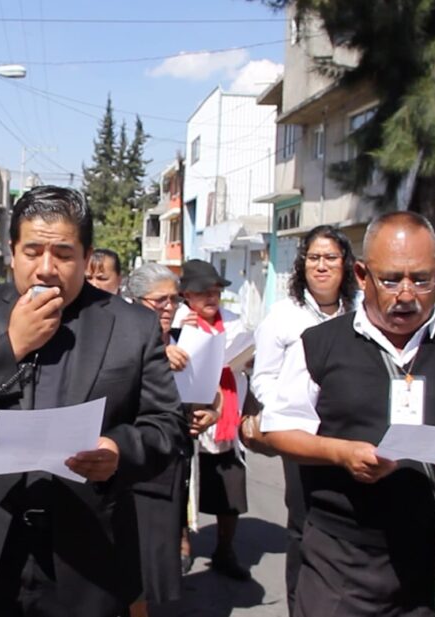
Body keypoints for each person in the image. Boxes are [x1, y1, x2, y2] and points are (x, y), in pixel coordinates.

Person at [0, 186, 187, 617]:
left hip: (90, 552)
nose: (46, 268)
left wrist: (119, 450)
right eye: (33, 250)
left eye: (63, 253)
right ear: (12, 251)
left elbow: (166, 424)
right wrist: (11, 346)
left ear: (87, 256)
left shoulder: (133, 326)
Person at [261, 211, 435, 616]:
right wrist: (341, 454)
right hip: (341, 560)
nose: (406, 294)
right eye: (390, 280)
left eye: (421, 279)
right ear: (361, 275)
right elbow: (280, 429)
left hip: (433, 553)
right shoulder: (319, 346)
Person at [247, 225, 358, 615]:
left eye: (330, 258)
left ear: (346, 265)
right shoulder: (283, 316)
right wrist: (289, 416)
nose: (321, 266)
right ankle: (301, 605)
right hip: (302, 438)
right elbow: (263, 379)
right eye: (313, 258)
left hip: (352, 434)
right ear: (302, 264)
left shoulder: (361, 314)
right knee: (305, 526)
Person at [123, 263, 219, 617]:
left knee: (153, 562)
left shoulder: (185, 341)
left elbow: (211, 393)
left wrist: (212, 413)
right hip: (132, 466)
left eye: (173, 300)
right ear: (134, 301)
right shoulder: (121, 340)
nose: (168, 308)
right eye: (158, 300)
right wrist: (155, 357)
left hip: (172, 466)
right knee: (131, 559)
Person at [174, 259, 253, 581]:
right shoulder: (179, 323)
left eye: (216, 292)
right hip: (191, 413)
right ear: (187, 296)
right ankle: (182, 545)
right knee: (183, 484)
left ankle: (225, 549)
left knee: (230, 490)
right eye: (203, 292)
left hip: (227, 418)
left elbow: (247, 358)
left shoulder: (234, 322)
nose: (211, 298)